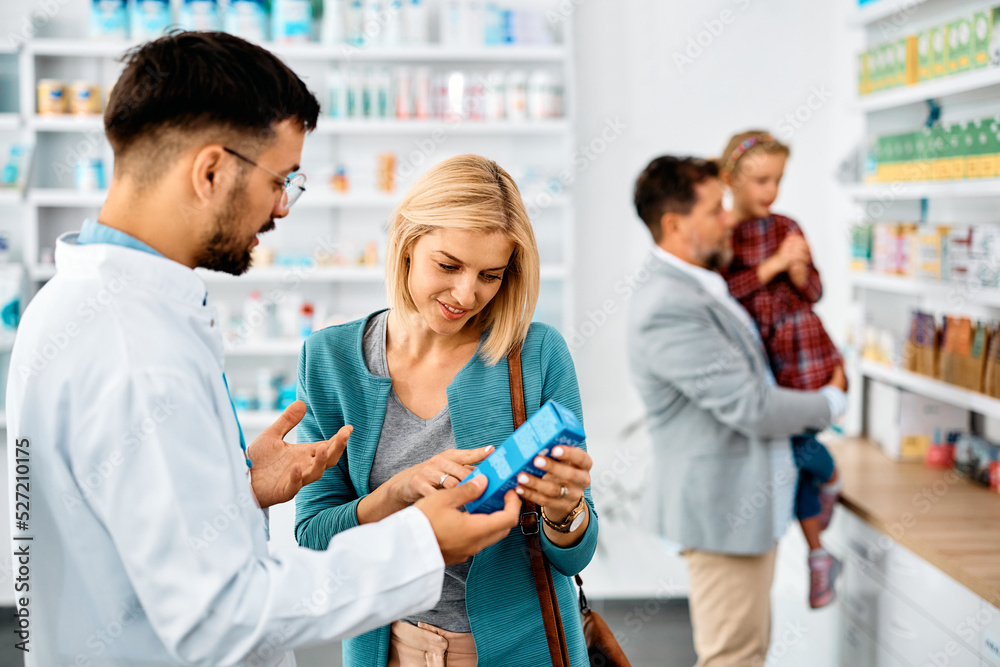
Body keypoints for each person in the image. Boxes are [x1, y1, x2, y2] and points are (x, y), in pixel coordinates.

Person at [5, 32, 520, 667]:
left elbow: (124, 527)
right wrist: (420, 545)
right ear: (211, 170)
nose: (281, 207)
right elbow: (219, 618)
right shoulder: (136, 350)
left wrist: (238, 489)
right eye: (280, 179)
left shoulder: (69, 307)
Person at [294, 154, 599, 667]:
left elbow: (573, 555)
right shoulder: (331, 359)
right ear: (407, 245)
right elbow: (314, 536)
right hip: (389, 649)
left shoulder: (537, 354)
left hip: (521, 649)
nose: (467, 294)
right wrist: (395, 495)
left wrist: (564, 510)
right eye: (449, 265)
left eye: (490, 275)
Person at [627, 156, 848, 667]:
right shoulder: (668, 304)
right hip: (722, 514)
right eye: (716, 209)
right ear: (675, 224)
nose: (731, 219)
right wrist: (832, 400)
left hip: (742, 510)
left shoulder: (701, 283)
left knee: (746, 650)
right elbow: (752, 404)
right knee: (734, 657)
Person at [718, 130, 844, 609]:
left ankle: (817, 553)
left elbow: (814, 291)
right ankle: (822, 533)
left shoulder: (788, 225)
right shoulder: (724, 234)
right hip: (764, 360)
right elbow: (726, 295)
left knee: (795, 448)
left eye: (778, 181)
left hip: (803, 348)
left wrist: (797, 272)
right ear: (731, 179)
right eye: (760, 180)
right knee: (796, 455)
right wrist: (772, 268)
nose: (770, 192)